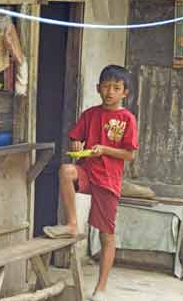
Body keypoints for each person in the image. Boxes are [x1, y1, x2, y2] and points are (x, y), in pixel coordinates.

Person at [43, 65, 139, 301]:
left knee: (106, 236)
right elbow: (76, 137)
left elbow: (129, 154)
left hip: (108, 180)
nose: (110, 92)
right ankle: (73, 224)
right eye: (106, 86)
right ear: (98, 88)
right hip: (87, 172)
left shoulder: (127, 118)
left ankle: (101, 288)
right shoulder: (90, 114)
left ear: (125, 93)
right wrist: (76, 144)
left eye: (116, 88)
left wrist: (104, 149)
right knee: (66, 170)